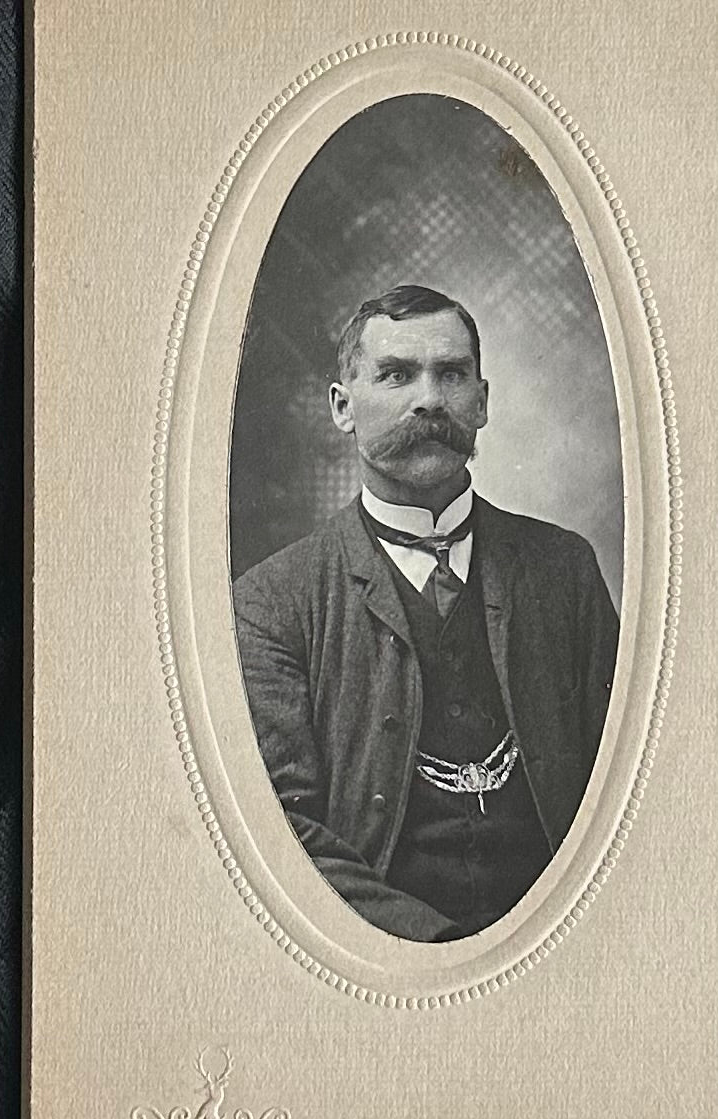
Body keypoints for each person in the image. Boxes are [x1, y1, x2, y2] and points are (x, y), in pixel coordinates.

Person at [232, 284, 619, 942]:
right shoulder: (274, 601)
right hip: (383, 964)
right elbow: (280, 830)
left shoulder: (564, 568)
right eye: (396, 375)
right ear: (342, 407)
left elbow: (631, 781)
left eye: (452, 374)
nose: (431, 399)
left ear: (483, 401)